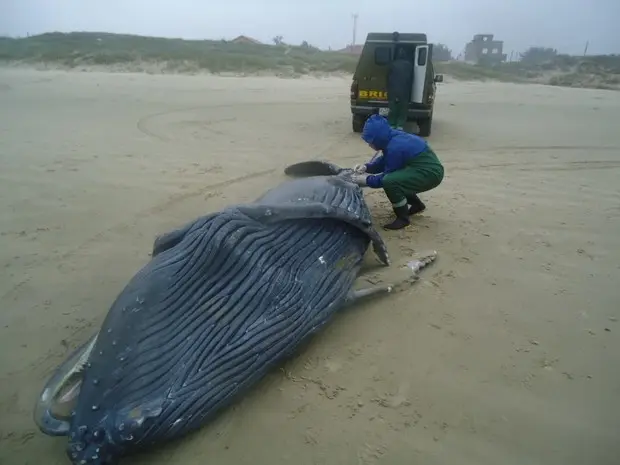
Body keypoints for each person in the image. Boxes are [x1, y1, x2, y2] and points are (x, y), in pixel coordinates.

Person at [351, 114, 444, 230]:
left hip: (430, 174)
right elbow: (386, 160)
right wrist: (367, 167)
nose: (369, 145)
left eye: (371, 141)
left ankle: (402, 219)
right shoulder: (392, 137)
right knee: (398, 177)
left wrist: (366, 180)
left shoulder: (396, 147)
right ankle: (417, 205)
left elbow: (386, 176)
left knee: (390, 181)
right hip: (423, 169)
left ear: (379, 138)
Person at [386, 47, 414, 130]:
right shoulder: (409, 65)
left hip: (393, 91)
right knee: (402, 109)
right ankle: (400, 125)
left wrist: (388, 88)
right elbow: (412, 79)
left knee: (393, 109)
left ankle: (392, 125)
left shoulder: (392, 64)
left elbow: (388, 78)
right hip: (404, 91)